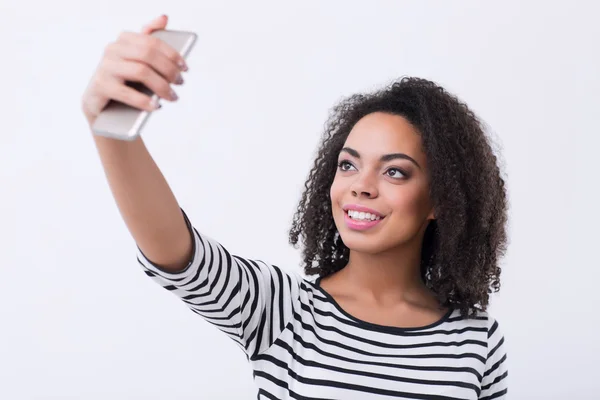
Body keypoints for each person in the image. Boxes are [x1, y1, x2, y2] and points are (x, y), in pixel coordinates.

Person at [82, 14, 508, 400]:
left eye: (394, 171)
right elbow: (176, 252)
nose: (360, 186)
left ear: (439, 199)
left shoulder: (475, 339)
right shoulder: (281, 309)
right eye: (348, 164)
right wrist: (111, 127)